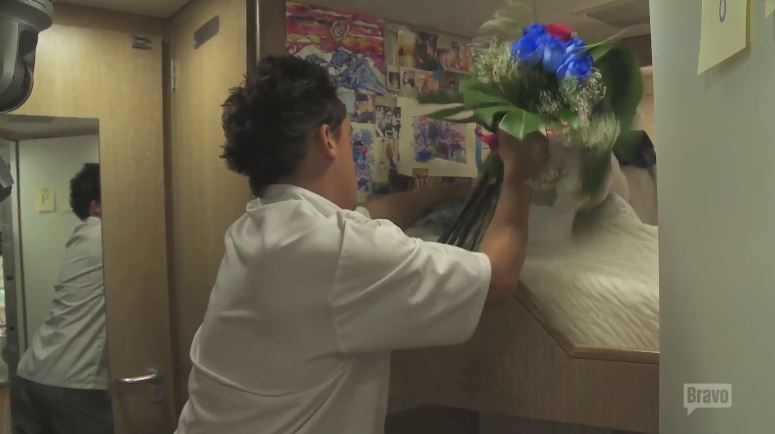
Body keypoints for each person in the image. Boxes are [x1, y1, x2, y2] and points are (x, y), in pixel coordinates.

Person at [175, 55, 547, 434]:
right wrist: (520, 176)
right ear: (327, 139)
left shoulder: (259, 226)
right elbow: (498, 279)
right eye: (351, 139)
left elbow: (365, 215)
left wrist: (446, 192)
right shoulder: (335, 251)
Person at [12, 163, 112, 434]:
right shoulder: (109, 236)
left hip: (31, 374)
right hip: (74, 385)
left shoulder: (82, 238)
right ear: (97, 206)